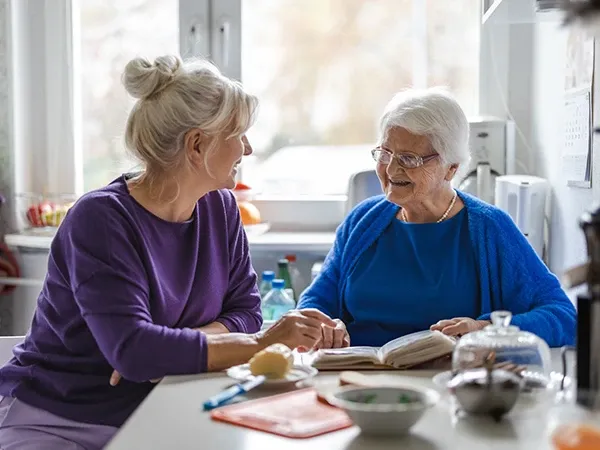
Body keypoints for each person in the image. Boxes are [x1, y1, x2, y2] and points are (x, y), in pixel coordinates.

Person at [0, 55, 336, 449]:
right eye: (238, 134)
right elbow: (137, 352)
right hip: (59, 419)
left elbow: (246, 312)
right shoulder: (100, 220)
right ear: (197, 145)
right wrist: (262, 344)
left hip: (159, 408)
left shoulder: (221, 207)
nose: (247, 147)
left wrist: (167, 348)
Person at [297, 87, 577, 349]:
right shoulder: (363, 220)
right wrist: (324, 326)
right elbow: (316, 301)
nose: (391, 169)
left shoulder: (490, 228)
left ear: (450, 168)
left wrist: (485, 330)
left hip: (449, 385)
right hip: (358, 378)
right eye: (385, 153)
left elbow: (564, 316)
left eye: (409, 158)